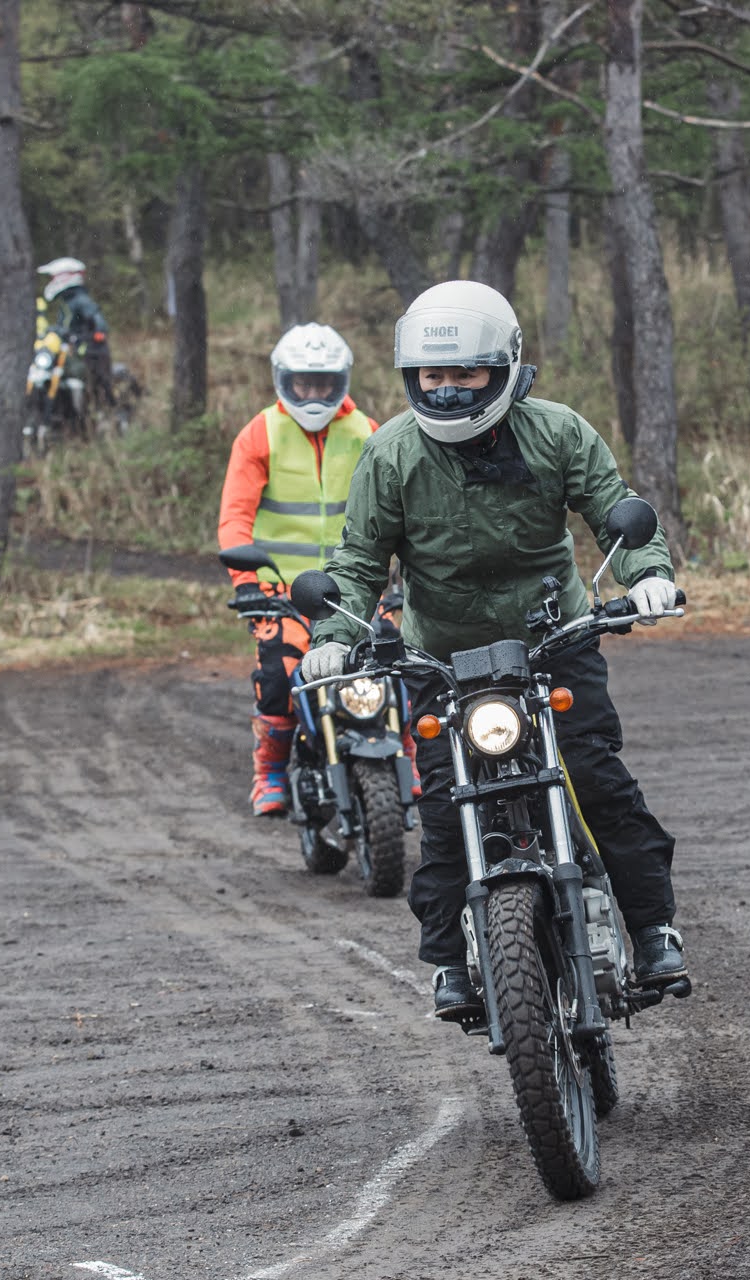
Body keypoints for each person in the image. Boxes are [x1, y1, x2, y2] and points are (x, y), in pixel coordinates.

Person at [298, 280, 685, 1021]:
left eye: (464, 374)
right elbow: (356, 564)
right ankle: (448, 958)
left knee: (598, 781)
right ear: (412, 377)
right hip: (442, 663)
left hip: (553, 646)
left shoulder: (558, 433)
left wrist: (649, 578)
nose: (446, 390)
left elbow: (615, 511)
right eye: (432, 376)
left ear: (503, 368)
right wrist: (334, 639)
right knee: (444, 810)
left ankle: (652, 928)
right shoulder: (391, 454)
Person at [218, 323, 380, 817]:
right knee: (278, 677)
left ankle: (409, 757)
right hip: (278, 591)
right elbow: (235, 519)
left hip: (357, 587)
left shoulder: (367, 431)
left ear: (341, 382)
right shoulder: (259, 433)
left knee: (399, 667)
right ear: (284, 380)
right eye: (304, 383)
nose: (314, 393)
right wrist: (247, 586)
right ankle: (268, 770)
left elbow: (398, 509)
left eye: (324, 383)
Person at [36, 257, 115, 406]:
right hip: (72, 351)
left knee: (99, 382)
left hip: (91, 351)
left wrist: (98, 332)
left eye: (53, 277)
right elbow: (64, 326)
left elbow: (98, 320)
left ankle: (110, 411)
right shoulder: (66, 303)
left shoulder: (81, 300)